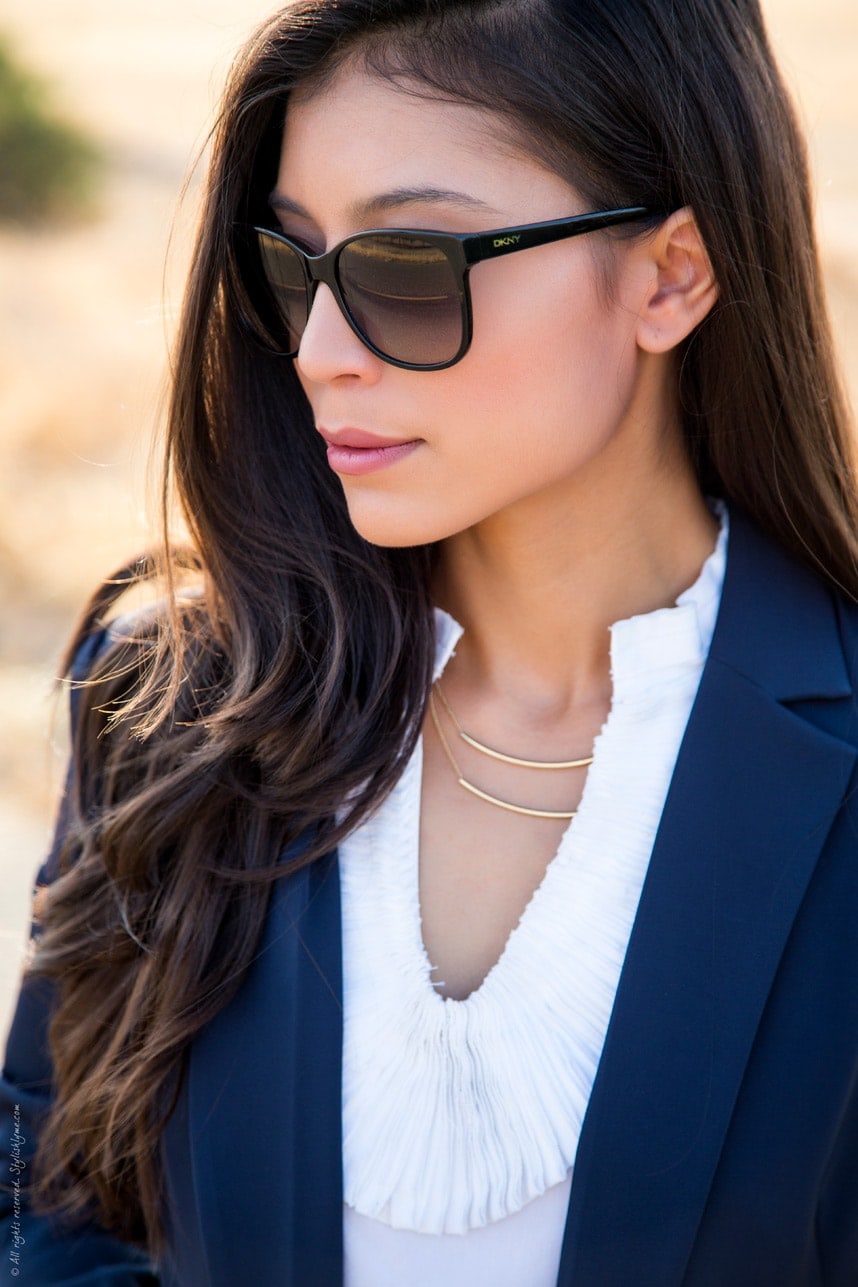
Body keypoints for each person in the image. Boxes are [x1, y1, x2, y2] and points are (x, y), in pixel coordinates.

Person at [2, 0, 858, 1282]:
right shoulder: (169, 704)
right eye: (294, 267)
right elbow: (53, 1208)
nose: (320, 351)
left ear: (671, 275)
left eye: (410, 268)